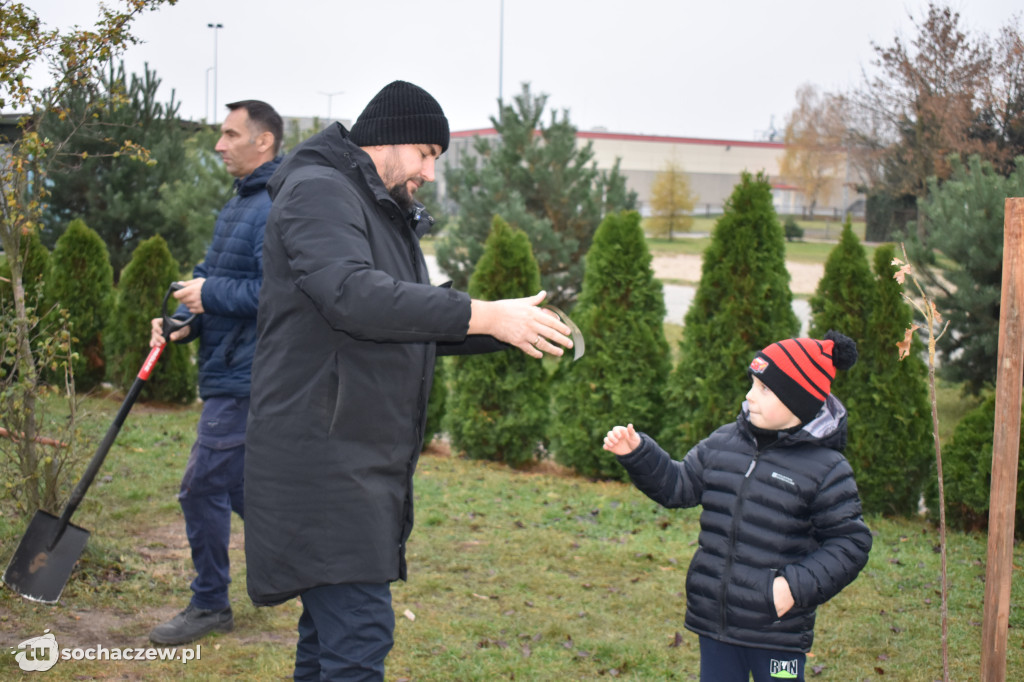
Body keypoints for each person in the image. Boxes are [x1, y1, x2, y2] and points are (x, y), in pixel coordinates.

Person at [243, 80, 573, 680]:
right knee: (358, 635)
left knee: (328, 641)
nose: (429, 171)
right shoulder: (319, 191)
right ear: (387, 139)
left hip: (347, 454)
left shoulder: (373, 205)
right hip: (324, 460)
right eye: (426, 153)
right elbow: (353, 297)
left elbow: (401, 314)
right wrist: (483, 313)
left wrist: (500, 326)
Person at [603, 331, 873, 682]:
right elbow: (679, 486)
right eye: (753, 384)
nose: (750, 396)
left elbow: (850, 544)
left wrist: (792, 587)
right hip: (716, 622)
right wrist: (639, 454)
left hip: (778, 629)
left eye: (764, 389)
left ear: (797, 401)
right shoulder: (724, 443)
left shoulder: (827, 469)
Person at [147, 100, 284, 646]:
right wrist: (185, 320)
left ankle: (209, 604)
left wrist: (209, 296)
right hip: (229, 364)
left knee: (201, 487)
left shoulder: (274, 203)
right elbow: (215, 276)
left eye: (230, 134)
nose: (218, 145)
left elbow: (279, 294)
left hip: (247, 376)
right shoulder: (242, 200)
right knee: (249, 492)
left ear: (264, 141)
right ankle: (314, 571)